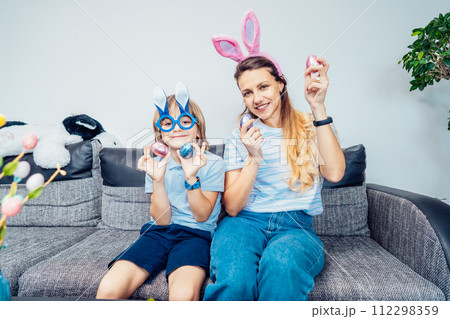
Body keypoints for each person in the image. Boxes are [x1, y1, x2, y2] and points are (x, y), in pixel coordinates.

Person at [203, 10, 345, 301]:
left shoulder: (310, 125)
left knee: (280, 266)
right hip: (244, 222)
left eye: (263, 86)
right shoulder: (240, 135)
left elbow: (334, 173)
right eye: (247, 92)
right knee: (235, 279)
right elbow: (231, 207)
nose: (256, 98)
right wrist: (253, 157)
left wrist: (318, 107)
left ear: (281, 84)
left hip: (296, 227)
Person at [96, 83, 225, 300]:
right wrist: (157, 180)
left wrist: (191, 176)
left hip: (196, 235)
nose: (176, 127)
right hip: (158, 233)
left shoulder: (213, 163)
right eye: (168, 123)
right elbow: (162, 221)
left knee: (183, 295)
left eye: (185, 121)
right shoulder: (156, 164)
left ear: (198, 129)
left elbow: (202, 216)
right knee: (109, 288)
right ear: (160, 134)